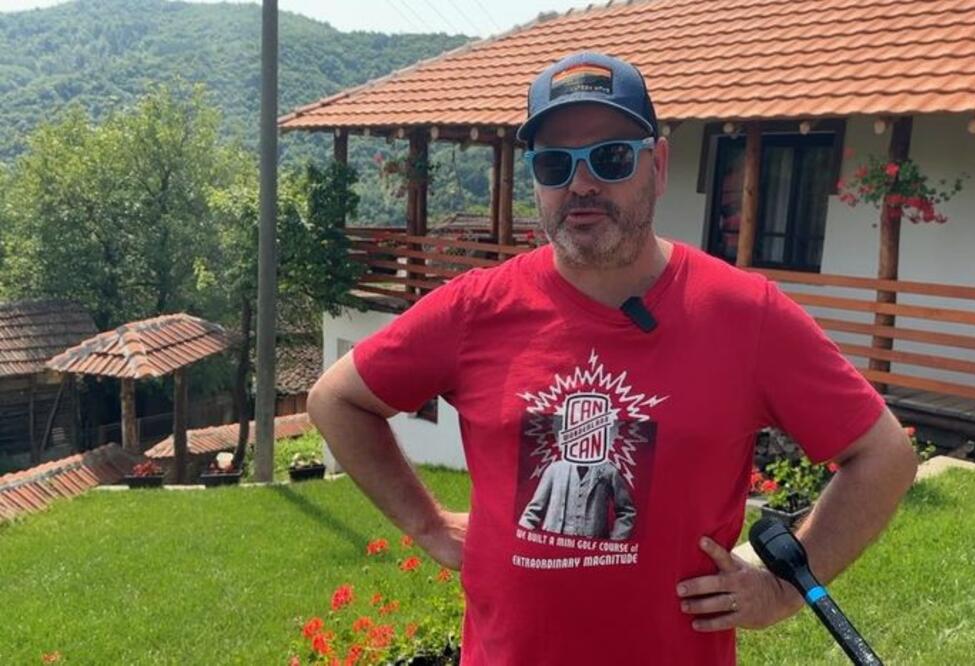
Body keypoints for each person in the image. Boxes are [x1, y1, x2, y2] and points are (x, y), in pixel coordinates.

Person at [307, 51, 918, 665]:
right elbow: (338, 400)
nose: (581, 183)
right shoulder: (477, 308)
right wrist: (429, 525)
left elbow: (884, 455)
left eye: (612, 157)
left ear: (658, 165)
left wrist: (783, 589)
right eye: (555, 163)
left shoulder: (743, 313)